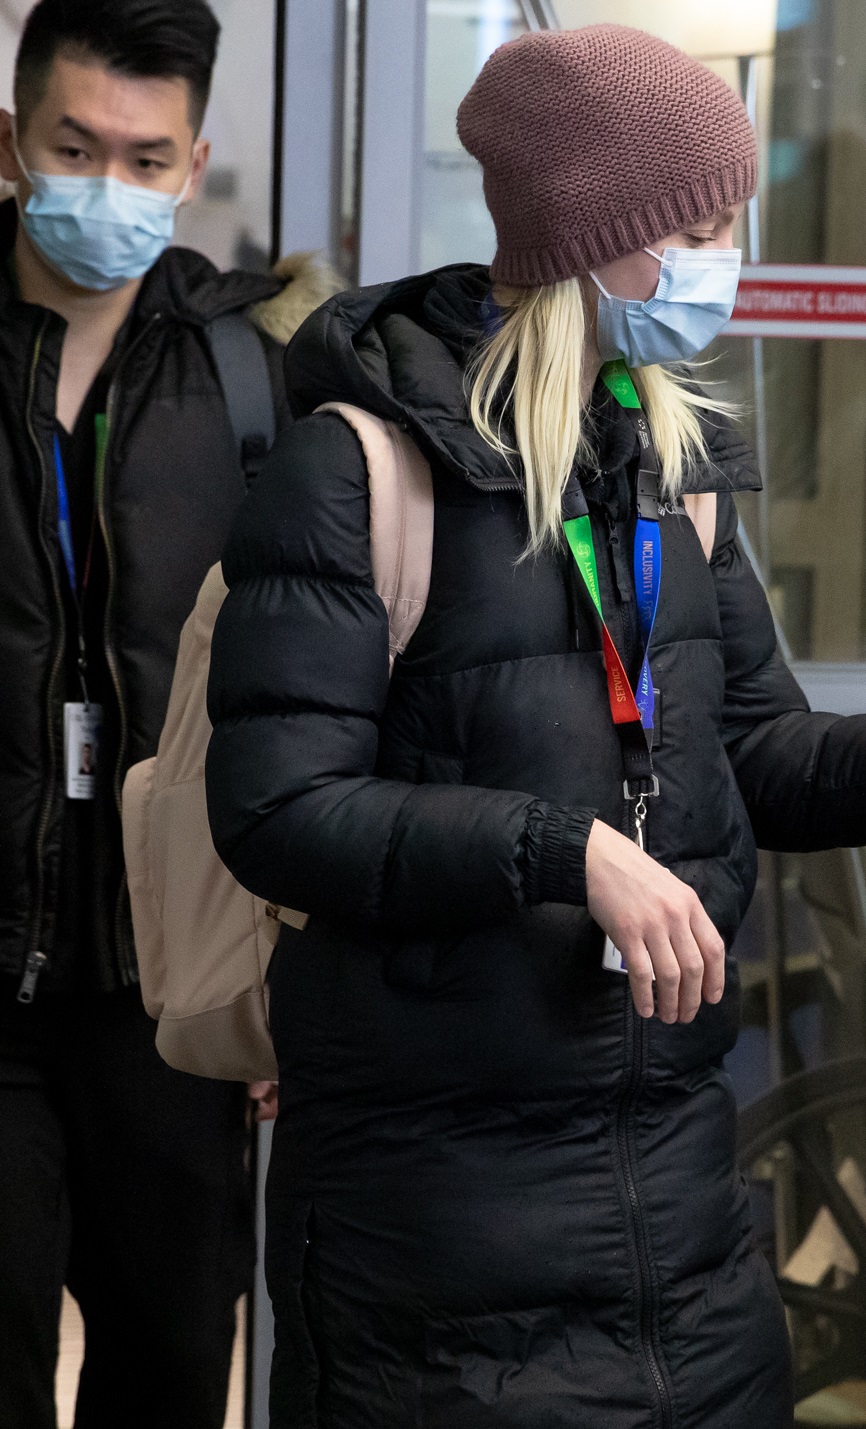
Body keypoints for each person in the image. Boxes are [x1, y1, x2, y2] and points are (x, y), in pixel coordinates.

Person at [202, 24, 866, 1429]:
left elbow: (762, 751)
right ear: (589, 238)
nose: (725, 262)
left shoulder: (666, 461)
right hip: (440, 1235)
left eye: (730, 224)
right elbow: (279, 811)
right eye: (695, 227)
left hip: (683, 1223)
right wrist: (559, 850)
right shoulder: (358, 472)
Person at [0, 3, 333, 1426]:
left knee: (172, 1375)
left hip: (172, 1003)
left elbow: (316, 681)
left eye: (145, 158)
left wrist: (286, 977)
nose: (108, 186)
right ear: (9, 143)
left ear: (194, 164)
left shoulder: (258, 372)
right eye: (76, 147)